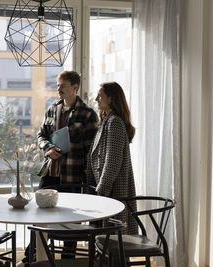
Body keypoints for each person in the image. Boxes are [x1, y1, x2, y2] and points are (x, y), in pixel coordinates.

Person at [17, 71, 98, 266]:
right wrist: (48, 148)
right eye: (58, 85)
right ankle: (31, 258)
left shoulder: (88, 114)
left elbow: (91, 151)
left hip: (73, 175)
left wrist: (88, 181)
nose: (58, 88)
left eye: (63, 85)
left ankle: (67, 261)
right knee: (38, 217)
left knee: (71, 220)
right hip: (50, 171)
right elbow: (41, 134)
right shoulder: (52, 109)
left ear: (75, 87)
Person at [86, 81, 138, 235]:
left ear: (111, 98)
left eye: (100, 95)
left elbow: (112, 161)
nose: (96, 99)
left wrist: (101, 191)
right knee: (106, 237)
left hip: (113, 190)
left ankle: (111, 260)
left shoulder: (114, 122)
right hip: (106, 189)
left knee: (113, 238)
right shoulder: (107, 121)